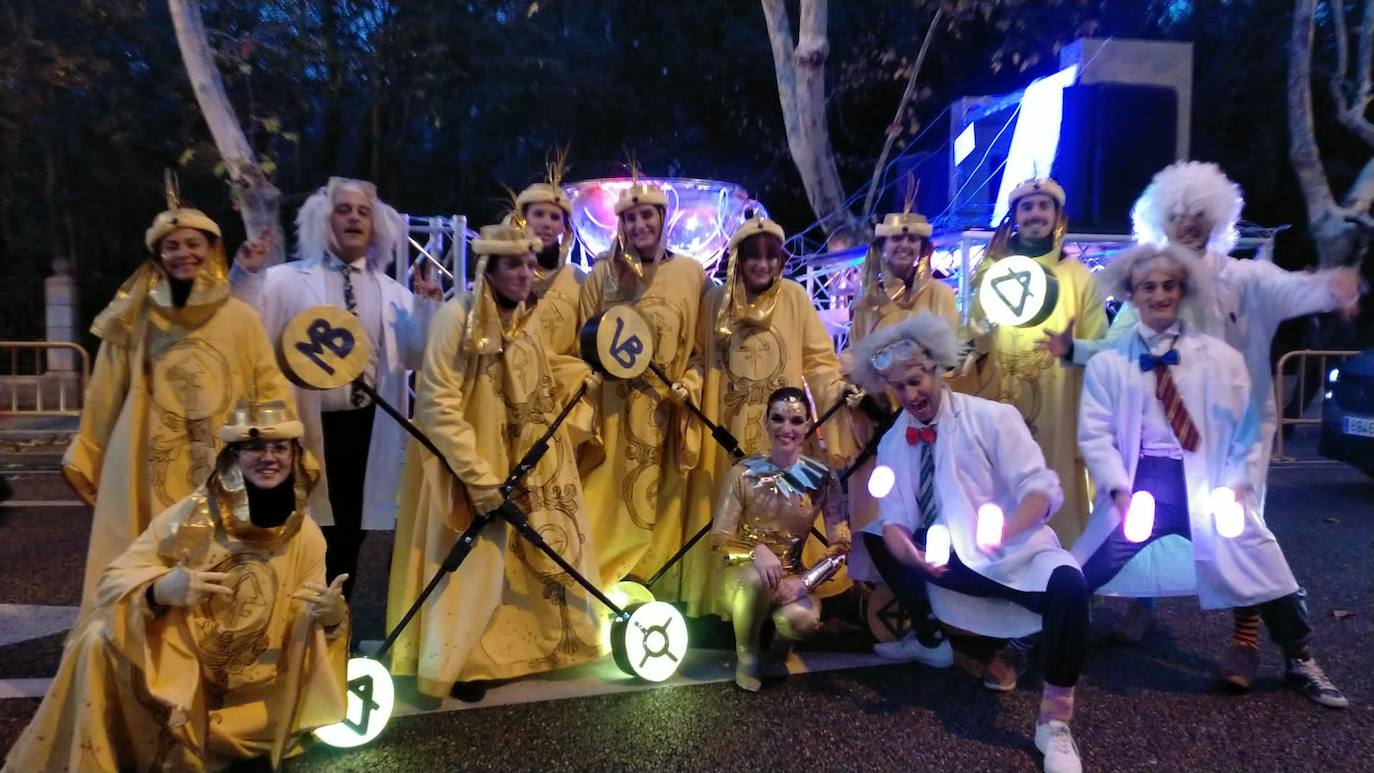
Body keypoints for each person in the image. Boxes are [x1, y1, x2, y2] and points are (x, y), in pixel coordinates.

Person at [1050, 162, 1362, 675]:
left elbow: (1292, 289)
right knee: (1128, 531)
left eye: (1199, 213)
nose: (1189, 222)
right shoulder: (1149, 280)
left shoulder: (1242, 276)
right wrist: (1071, 350)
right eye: (1178, 214)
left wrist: (1332, 287)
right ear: (1161, 221)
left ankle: (1250, 641)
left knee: (1241, 535)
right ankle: (1125, 609)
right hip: (1156, 443)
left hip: (1228, 438)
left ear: (1216, 218)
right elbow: (1115, 349)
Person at [1074, 244, 1348, 709]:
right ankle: (1029, 640)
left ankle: (1299, 658)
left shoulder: (1221, 359)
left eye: (1168, 286)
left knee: (1262, 563)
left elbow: (1245, 429)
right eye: (1148, 287)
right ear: (1132, 295)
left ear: (1183, 293)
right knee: (1083, 569)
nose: (1159, 295)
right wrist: (1118, 485)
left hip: (1206, 484)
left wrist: (1239, 481)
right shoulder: (1109, 362)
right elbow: (1095, 432)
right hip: (1144, 486)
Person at [5, 402, 349, 772]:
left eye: (280, 448)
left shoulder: (307, 537)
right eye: (255, 448)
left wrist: (331, 620)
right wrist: (160, 589)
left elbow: (304, 619)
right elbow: (112, 582)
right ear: (233, 456)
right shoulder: (192, 517)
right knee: (97, 640)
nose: (269, 457)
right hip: (186, 675)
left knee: (204, 741)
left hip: (257, 689)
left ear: (295, 457)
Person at [851, 314, 1089, 773]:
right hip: (949, 560)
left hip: (1011, 555)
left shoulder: (994, 418)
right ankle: (930, 639)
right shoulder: (897, 440)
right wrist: (911, 554)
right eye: (897, 388)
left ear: (938, 368)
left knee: (1071, 590)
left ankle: (1055, 722)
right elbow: (897, 520)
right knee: (875, 535)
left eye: (916, 380)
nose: (910, 395)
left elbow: (1041, 492)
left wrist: (1006, 530)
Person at [386, 223, 603, 701]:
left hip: (524, 460)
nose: (526, 273)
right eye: (513, 265)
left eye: (529, 263)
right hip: (472, 467)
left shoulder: (524, 320)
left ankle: (519, 652)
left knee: (525, 560)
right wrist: (476, 476)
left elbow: (542, 370)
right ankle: (460, 662)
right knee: (471, 564)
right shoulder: (454, 319)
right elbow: (437, 403)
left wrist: (581, 377)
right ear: (489, 268)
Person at [66, 192, 296, 615]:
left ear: (212, 250)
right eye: (172, 245)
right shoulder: (135, 316)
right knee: (148, 551)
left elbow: (269, 383)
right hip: (148, 456)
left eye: (194, 244)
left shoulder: (240, 317)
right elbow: (105, 389)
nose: (183, 253)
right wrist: (89, 450)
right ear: (158, 254)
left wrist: (280, 443)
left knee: (225, 554)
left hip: (222, 455)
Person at [231, 176, 442, 598]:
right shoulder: (284, 281)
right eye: (343, 210)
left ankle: (334, 622)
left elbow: (418, 357)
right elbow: (241, 323)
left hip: (365, 429)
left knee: (350, 530)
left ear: (376, 225)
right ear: (324, 221)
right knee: (294, 526)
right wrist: (246, 274)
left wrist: (427, 306)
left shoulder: (393, 292)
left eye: (362, 212)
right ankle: (284, 620)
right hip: (303, 429)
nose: (353, 218)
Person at [675, 213, 858, 614]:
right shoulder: (715, 302)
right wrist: (688, 387)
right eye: (753, 256)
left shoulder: (793, 297)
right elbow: (701, 359)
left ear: (780, 259)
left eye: (770, 256)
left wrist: (837, 391)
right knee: (729, 513)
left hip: (784, 435)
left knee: (788, 510)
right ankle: (727, 606)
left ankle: (790, 596)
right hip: (729, 431)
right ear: (738, 259)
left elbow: (820, 363)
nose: (762, 264)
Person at [577, 175, 707, 586]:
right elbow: (584, 340)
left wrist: (689, 382)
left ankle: (661, 593)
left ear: (662, 217)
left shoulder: (691, 273)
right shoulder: (602, 273)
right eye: (630, 218)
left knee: (664, 501)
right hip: (614, 414)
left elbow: (702, 348)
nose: (639, 226)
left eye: (646, 215)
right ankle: (602, 588)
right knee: (609, 499)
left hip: (667, 411)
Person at [843, 199, 963, 586]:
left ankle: (940, 599)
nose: (904, 247)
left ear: (923, 249)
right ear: (883, 248)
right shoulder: (867, 304)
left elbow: (953, 360)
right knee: (881, 511)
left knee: (930, 508)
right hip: (882, 428)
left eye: (911, 241)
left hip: (928, 423)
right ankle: (882, 595)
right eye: (896, 241)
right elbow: (856, 359)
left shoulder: (942, 297)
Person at [711, 387, 851, 691]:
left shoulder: (823, 477)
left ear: (808, 427)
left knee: (803, 622)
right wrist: (755, 551)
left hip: (791, 577)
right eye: (778, 418)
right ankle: (746, 657)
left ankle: (779, 647)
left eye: (796, 421)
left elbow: (841, 545)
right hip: (742, 576)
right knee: (754, 580)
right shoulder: (744, 472)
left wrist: (805, 582)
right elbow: (719, 537)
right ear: (766, 422)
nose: (786, 429)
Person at [515, 151, 584, 357]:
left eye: (555, 217)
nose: (546, 223)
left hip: (563, 385)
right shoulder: (502, 275)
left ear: (565, 227)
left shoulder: (578, 280)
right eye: (538, 214)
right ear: (523, 218)